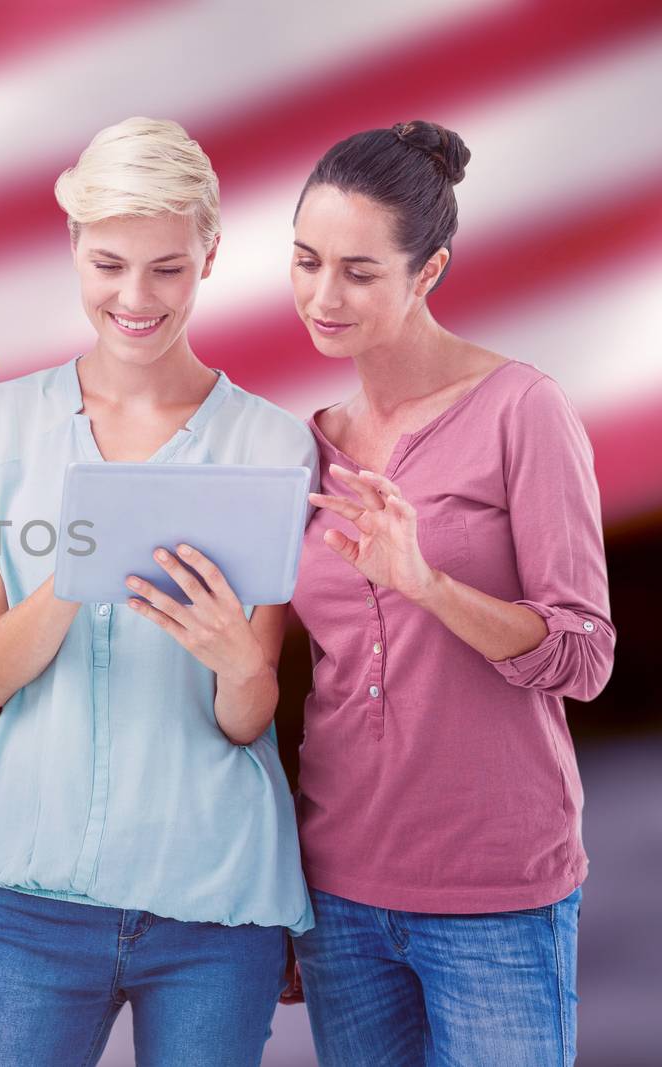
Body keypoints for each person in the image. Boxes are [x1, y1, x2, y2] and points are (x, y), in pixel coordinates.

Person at [0, 117, 313, 1067]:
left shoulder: (271, 446)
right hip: (37, 905)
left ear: (210, 257)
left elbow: (245, 715)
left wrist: (233, 659)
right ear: (72, 250)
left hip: (213, 904)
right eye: (108, 264)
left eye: (167, 268)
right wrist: (76, 566)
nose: (135, 298)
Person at [286, 120, 616, 1067]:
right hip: (341, 892)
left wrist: (428, 583)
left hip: (498, 896)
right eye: (306, 261)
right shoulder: (306, 441)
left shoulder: (525, 410)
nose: (322, 294)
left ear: (427, 273)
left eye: (358, 270)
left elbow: (584, 657)